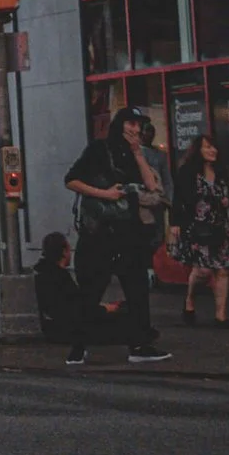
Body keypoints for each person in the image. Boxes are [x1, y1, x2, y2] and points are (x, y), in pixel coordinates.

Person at [65, 108, 168, 366]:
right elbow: (71, 180)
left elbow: (152, 186)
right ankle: (78, 347)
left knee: (137, 289)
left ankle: (139, 344)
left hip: (128, 230)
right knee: (92, 289)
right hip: (99, 231)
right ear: (120, 125)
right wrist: (104, 194)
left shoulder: (137, 153)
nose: (135, 129)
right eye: (131, 123)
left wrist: (137, 153)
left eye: (139, 125)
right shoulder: (99, 149)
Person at [170, 132, 229, 327]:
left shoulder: (222, 171)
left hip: (219, 225)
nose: (212, 151)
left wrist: (227, 200)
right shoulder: (187, 171)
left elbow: (228, 192)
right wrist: (175, 223)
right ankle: (190, 299)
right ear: (198, 150)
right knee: (202, 270)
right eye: (208, 147)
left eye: (214, 147)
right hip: (197, 226)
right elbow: (179, 198)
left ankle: (221, 316)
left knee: (222, 269)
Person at [33, 231, 78, 347]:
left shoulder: (41, 273)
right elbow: (76, 305)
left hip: (51, 329)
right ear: (64, 251)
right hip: (67, 330)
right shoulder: (61, 277)